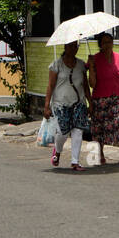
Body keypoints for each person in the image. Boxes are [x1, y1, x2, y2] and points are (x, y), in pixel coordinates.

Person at [87, 32, 119, 167]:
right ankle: (100, 155)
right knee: (100, 129)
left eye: (110, 41)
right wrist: (91, 67)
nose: (107, 45)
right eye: (104, 42)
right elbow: (92, 84)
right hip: (100, 99)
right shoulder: (94, 59)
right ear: (100, 45)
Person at [43, 40, 90, 171]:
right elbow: (50, 86)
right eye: (70, 46)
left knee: (78, 130)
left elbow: (85, 86)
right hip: (61, 104)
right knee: (63, 133)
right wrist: (46, 106)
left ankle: (75, 161)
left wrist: (90, 103)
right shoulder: (56, 65)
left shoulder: (81, 65)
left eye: (75, 46)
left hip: (78, 102)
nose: (73, 49)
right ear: (65, 47)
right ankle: (57, 150)